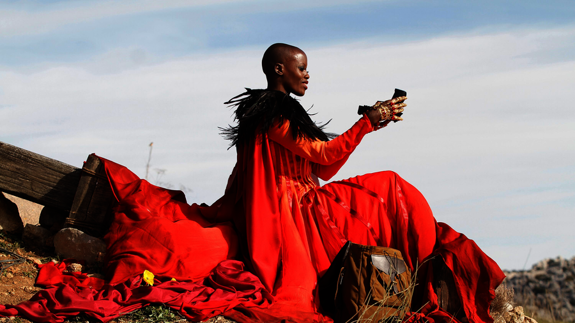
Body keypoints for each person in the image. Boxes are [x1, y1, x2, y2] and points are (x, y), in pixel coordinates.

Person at [0, 43, 505, 323]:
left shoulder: (267, 113)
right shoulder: (274, 112)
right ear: (280, 71)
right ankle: (421, 276)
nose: (309, 76)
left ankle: (416, 273)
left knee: (388, 192)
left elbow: (308, 163)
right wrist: (370, 119)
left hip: (288, 204)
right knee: (391, 189)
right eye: (302, 69)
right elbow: (325, 160)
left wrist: (370, 120)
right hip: (295, 214)